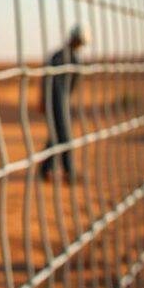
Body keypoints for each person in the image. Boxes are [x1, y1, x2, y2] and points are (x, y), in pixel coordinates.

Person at [41, 24, 89, 182]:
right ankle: (68, 172)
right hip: (56, 101)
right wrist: (44, 100)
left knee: (56, 136)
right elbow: (47, 80)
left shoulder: (68, 57)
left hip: (62, 101)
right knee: (64, 136)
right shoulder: (62, 57)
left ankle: (45, 169)